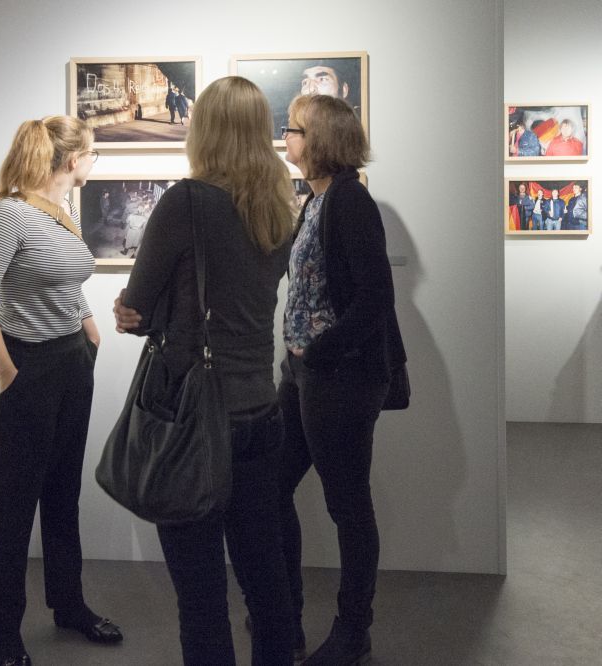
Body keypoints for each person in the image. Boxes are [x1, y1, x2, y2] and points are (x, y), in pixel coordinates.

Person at [113, 75, 297, 665]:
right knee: (266, 587)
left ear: (205, 130)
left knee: (200, 598)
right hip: (260, 412)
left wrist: (135, 312)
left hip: (194, 420)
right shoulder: (277, 205)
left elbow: (138, 307)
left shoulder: (186, 201)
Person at [0, 115, 121, 666]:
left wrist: (87, 324)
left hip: (69, 365)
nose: (93, 163)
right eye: (92, 154)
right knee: (11, 508)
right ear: (70, 160)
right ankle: (4, 631)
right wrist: (6, 370)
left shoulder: (63, 212)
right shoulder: (10, 214)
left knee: (62, 493)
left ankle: (68, 604)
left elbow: (64, 281)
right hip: (22, 369)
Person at [276, 93, 407, 665]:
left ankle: (354, 630)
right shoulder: (315, 200)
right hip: (304, 373)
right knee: (271, 486)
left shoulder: (350, 201)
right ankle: (284, 611)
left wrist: (322, 352)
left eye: (294, 130)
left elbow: (376, 296)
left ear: (321, 139)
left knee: (348, 504)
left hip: (340, 378)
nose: (286, 139)